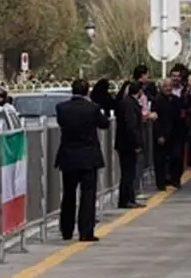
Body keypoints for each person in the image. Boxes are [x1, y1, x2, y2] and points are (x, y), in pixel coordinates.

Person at [54, 78, 109, 242]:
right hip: (88, 157)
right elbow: (104, 124)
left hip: (68, 157)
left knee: (68, 194)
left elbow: (61, 123)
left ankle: (66, 230)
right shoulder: (92, 108)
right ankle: (85, 232)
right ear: (87, 92)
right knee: (88, 195)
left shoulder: (62, 108)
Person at [113, 76, 145, 209]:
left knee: (129, 172)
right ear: (139, 91)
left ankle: (129, 198)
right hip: (127, 144)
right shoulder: (130, 104)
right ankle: (126, 200)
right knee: (128, 173)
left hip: (125, 143)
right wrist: (136, 143)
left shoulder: (127, 102)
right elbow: (131, 125)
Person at [151, 76, 183, 190]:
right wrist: (159, 135)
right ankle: (161, 183)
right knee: (160, 160)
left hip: (175, 134)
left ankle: (175, 179)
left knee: (176, 157)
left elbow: (180, 116)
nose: (168, 88)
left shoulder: (176, 100)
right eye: (166, 86)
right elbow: (156, 119)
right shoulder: (157, 100)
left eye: (170, 86)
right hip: (162, 134)